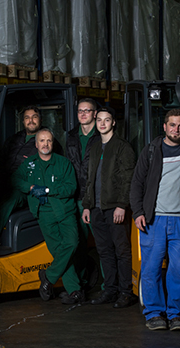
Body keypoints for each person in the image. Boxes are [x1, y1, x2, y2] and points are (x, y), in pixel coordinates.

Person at [130, 109, 180, 331]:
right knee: (151, 268)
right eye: (172, 125)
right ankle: (154, 313)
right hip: (154, 219)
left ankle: (175, 313)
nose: (176, 129)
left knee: (179, 269)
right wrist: (138, 212)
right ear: (164, 127)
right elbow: (136, 183)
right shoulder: (151, 150)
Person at [13, 128, 84, 305]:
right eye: (42, 141)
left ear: (53, 143)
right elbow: (15, 179)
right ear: (36, 144)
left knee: (72, 243)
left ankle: (48, 276)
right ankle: (74, 291)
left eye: (49, 141)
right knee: (59, 252)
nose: (45, 144)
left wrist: (46, 190)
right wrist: (31, 188)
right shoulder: (29, 164)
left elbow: (71, 188)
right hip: (44, 214)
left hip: (65, 211)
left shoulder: (63, 163)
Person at [81, 107, 137, 308]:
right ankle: (110, 290)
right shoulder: (95, 147)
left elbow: (128, 179)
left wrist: (122, 205)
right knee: (104, 251)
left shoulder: (123, 147)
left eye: (107, 120)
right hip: (96, 209)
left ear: (113, 122)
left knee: (122, 251)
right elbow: (90, 179)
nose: (102, 123)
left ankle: (126, 292)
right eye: (99, 120)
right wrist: (87, 206)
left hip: (115, 208)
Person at [0, 106, 61, 239]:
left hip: (26, 186)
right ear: (23, 121)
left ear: (40, 119)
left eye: (34, 117)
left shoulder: (47, 142)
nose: (31, 121)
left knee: (10, 199)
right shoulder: (15, 139)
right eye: (27, 118)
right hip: (6, 181)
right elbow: (1, 159)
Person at [66, 98, 101, 286]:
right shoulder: (71, 136)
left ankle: (109, 287)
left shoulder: (102, 134)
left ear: (94, 113)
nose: (83, 114)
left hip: (95, 197)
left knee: (103, 243)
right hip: (75, 196)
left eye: (87, 110)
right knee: (78, 243)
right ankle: (79, 285)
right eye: (80, 111)